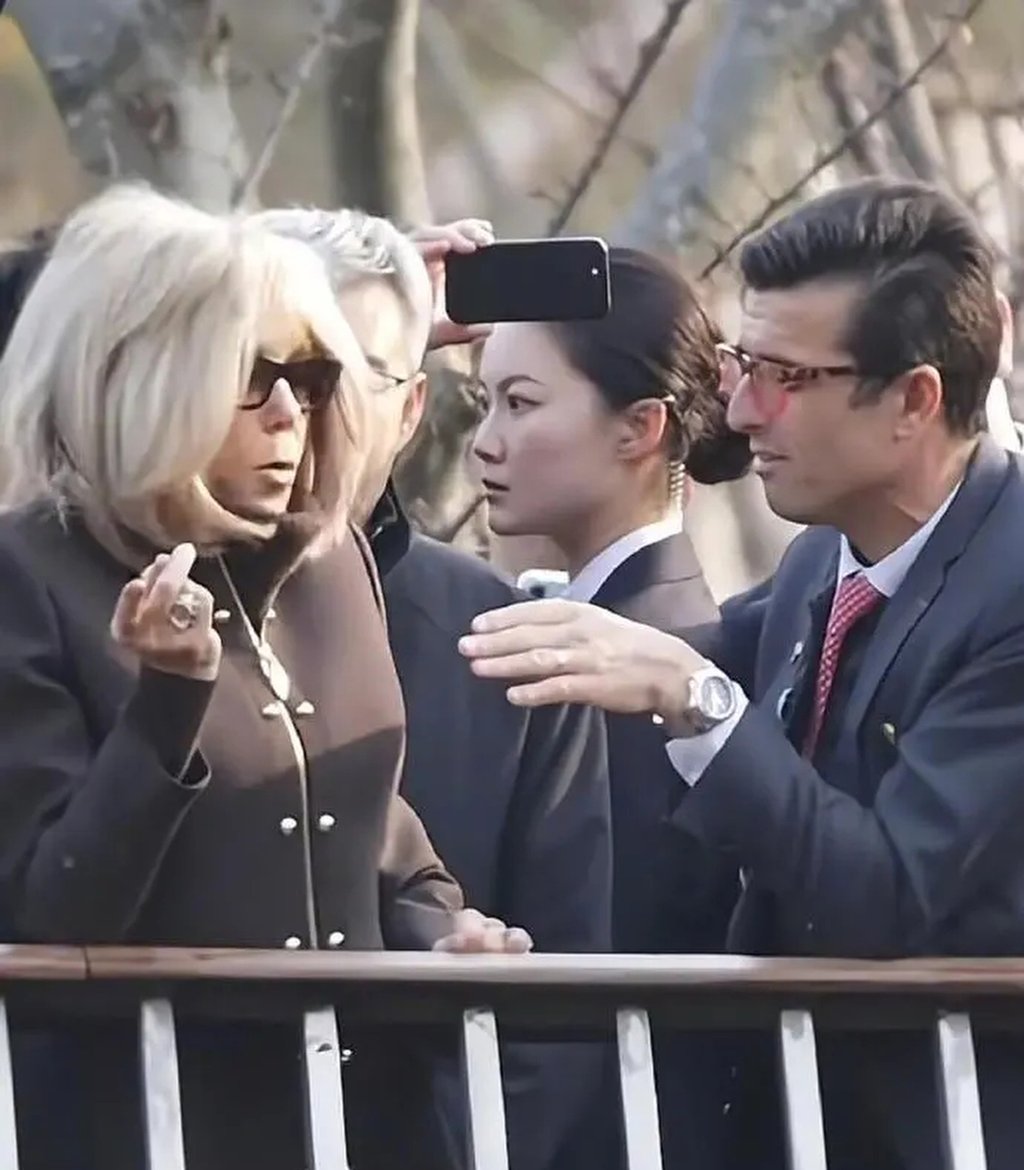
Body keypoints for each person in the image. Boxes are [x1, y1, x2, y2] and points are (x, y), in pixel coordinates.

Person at [459, 178, 1024, 1170]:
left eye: (784, 377)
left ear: (912, 400)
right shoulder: (822, 558)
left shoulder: (1009, 588)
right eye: (735, 362)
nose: (736, 408)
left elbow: (889, 893)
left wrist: (693, 694)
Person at [0, 185, 527, 1170]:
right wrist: (167, 699)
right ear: (137, 377)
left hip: (374, 1125)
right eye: (252, 376)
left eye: (317, 378)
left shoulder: (333, 561)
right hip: (150, 1128)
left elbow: (377, 834)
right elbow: (51, 913)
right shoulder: (28, 572)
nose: (292, 414)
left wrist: (443, 931)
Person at [254, 204, 612, 1170]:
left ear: (410, 408)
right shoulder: (123, 604)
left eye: (344, 375)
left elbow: (562, 1001)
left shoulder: (501, 641)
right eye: (265, 370)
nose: (298, 411)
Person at [473, 247, 751, 1168]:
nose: (485, 441)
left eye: (520, 403)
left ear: (640, 428)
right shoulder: (637, 630)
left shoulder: (645, 662)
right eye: (484, 404)